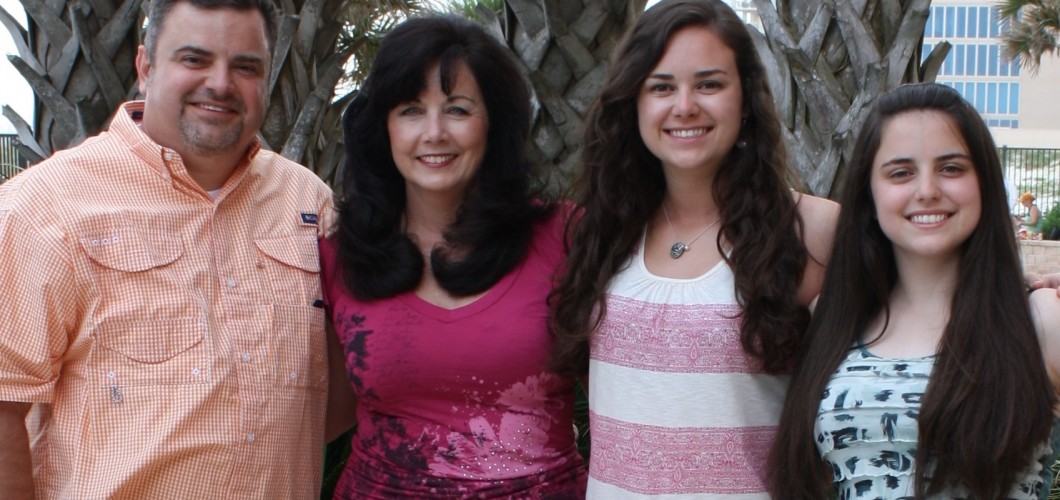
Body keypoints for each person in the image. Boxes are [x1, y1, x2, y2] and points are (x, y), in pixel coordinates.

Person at [0, 0, 334, 496]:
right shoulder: (46, 206)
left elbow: (341, 384)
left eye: (245, 66)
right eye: (194, 59)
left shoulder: (309, 205)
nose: (220, 84)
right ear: (145, 67)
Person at [548, 0, 838, 497]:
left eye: (709, 84)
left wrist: (1023, 295)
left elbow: (919, 320)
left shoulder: (811, 228)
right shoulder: (600, 232)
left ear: (746, 99)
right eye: (661, 87)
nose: (684, 106)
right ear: (634, 102)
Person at [320, 15, 587, 498]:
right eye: (410, 110)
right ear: (383, 127)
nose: (435, 132)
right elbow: (319, 414)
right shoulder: (340, 254)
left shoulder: (565, 237)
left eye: (458, 110)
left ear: (495, 124)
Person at [768, 83, 1060, 498]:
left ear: (985, 184)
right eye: (901, 172)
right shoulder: (831, 319)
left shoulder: (1039, 320)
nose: (926, 190)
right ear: (870, 193)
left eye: (952, 168)